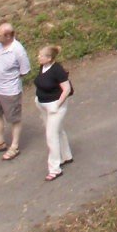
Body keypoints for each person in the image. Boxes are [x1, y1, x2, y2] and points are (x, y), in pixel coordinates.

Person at [0, 22, 30, 161]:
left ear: (9, 36)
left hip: (10, 91)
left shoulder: (18, 51)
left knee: (14, 119)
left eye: (0, 35)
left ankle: (14, 146)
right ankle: (0, 141)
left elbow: (24, 70)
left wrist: (9, 80)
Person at [33, 45, 74, 182]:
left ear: (49, 58)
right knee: (58, 131)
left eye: (41, 56)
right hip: (43, 105)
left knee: (51, 135)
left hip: (55, 107)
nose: (38, 57)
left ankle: (54, 168)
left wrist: (57, 105)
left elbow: (66, 89)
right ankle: (66, 155)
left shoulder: (57, 70)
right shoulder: (43, 67)